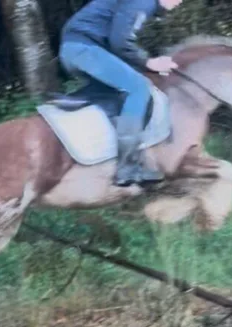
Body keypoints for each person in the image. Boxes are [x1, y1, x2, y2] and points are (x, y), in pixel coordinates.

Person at [59, 0, 185, 187]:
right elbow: (120, 41)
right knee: (138, 88)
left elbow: (117, 43)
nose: (180, 1)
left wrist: (144, 63)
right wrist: (149, 62)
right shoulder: (143, 2)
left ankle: (112, 157)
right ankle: (127, 167)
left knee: (124, 91)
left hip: (79, 48)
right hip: (84, 49)